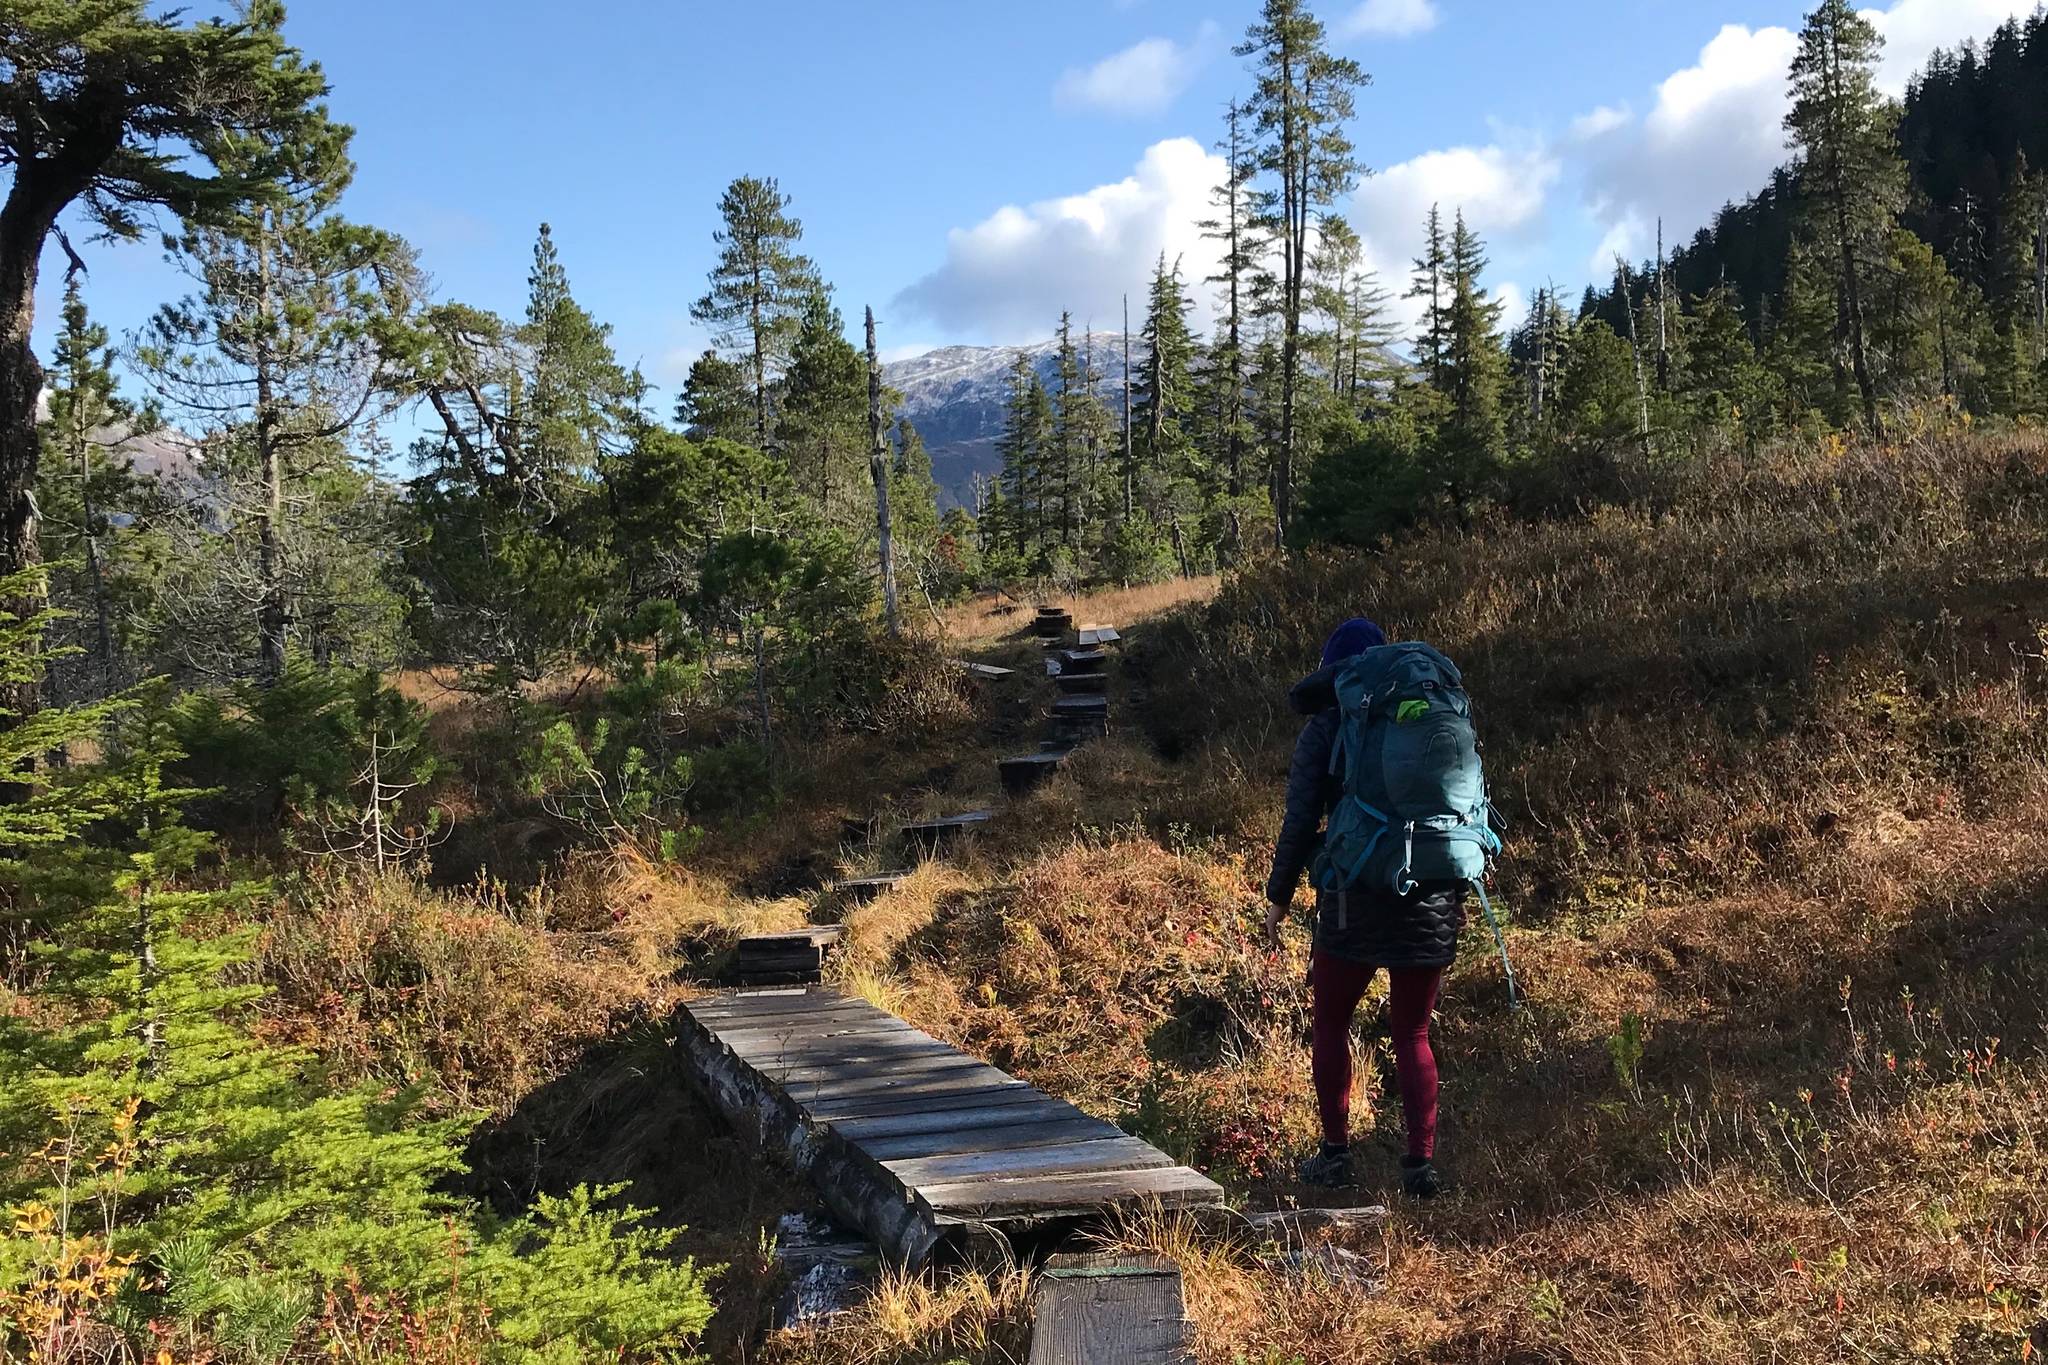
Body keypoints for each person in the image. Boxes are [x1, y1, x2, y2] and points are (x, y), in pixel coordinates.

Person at [1262, 618, 1467, 1198]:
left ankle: (1334, 1155)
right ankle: (1420, 1168)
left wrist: (1279, 897)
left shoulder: (1329, 724)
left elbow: (1300, 819)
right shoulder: (1429, 712)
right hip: (1432, 890)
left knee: (1331, 1022)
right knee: (1414, 1032)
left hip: (1354, 895)